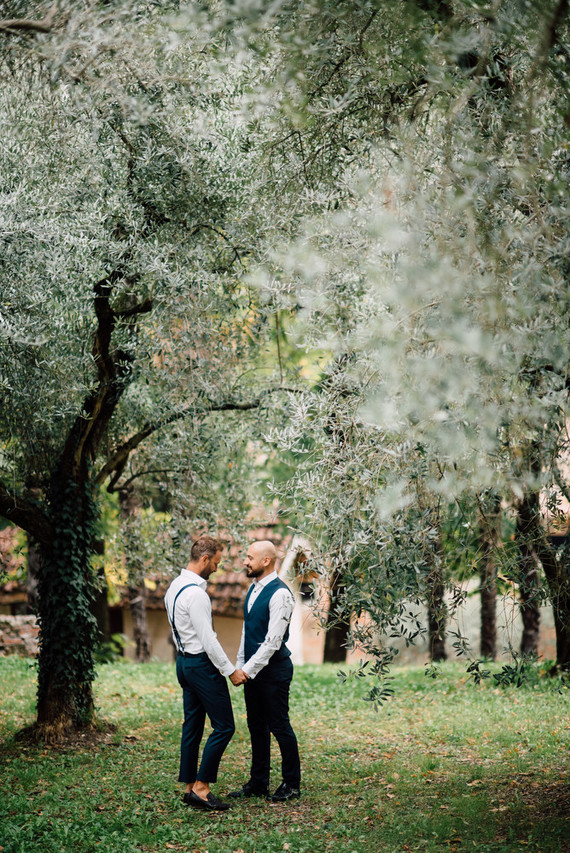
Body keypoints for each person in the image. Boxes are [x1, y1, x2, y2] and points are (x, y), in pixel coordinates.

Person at [164, 536, 248, 812]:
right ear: (204, 559)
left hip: (183, 663)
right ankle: (201, 789)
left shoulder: (174, 587)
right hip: (201, 665)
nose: (216, 568)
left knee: (192, 726)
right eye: (215, 563)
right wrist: (230, 671)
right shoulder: (196, 594)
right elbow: (209, 640)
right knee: (224, 726)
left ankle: (188, 786)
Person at [228, 540, 301, 803]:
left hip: (274, 672)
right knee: (256, 725)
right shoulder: (253, 589)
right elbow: (248, 631)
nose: (245, 561)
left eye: (250, 557)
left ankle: (292, 784)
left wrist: (246, 671)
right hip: (252, 671)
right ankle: (259, 782)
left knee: (280, 726)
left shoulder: (281, 594)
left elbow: (273, 641)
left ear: (266, 561)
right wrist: (239, 664)